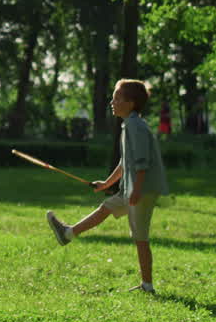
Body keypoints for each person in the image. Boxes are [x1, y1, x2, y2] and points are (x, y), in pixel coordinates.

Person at [46, 79, 169, 293]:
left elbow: (142, 162)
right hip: (132, 189)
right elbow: (124, 163)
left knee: (140, 237)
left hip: (142, 189)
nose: (112, 102)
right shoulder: (129, 124)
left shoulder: (135, 126)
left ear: (130, 103)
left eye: (117, 98)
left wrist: (137, 190)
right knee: (106, 208)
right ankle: (67, 234)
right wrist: (106, 184)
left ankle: (147, 286)